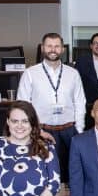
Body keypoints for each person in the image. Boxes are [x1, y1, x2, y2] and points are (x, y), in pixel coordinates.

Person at [17, 32, 86, 182]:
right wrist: (36, 130)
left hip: (69, 131)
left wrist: (79, 129)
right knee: (43, 174)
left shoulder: (73, 73)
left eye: (57, 46)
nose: (53, 49)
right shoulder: (30, 73)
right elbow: (22, 106)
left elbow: (80, 102)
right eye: (49, 46)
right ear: (42, 48)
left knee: (71, 174)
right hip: (42, 131)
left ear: (62, 49)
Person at [0, 101, 60, 196]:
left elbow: (54, 185)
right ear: (8, 122)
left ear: (32, 123)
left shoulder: (47, 147)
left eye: (25, 121)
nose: (20, 126)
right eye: (15, 121)